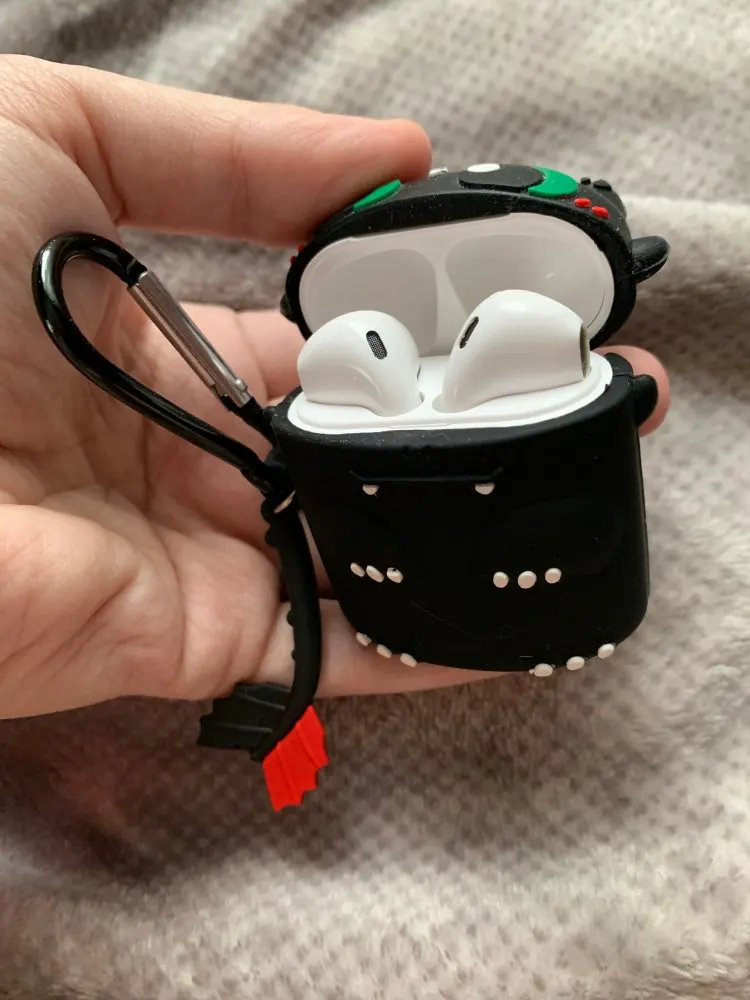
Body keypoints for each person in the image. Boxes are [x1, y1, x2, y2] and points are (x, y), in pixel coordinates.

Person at [0, 54, 670, 720]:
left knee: (446, 343)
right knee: (366, 351)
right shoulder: (347, 375)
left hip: (537, 607)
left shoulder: (432, 369)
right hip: (432, 609)